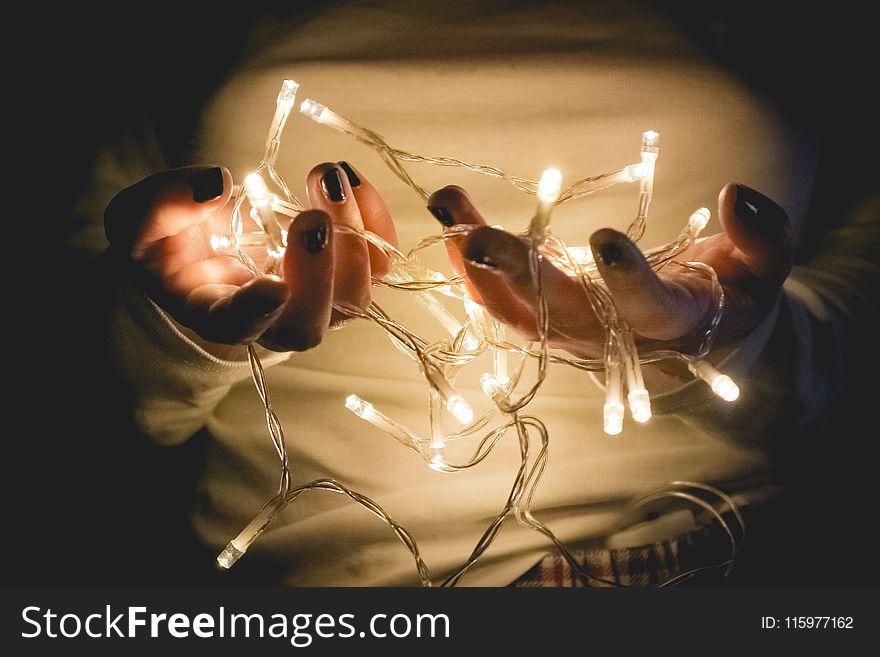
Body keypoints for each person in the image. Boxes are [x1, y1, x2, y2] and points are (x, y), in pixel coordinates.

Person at [37, 0, 879, 586]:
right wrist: (175, 327)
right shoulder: (172, 37)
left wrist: (724, 340)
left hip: (716, 564)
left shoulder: (809, 27)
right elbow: (65, 414)